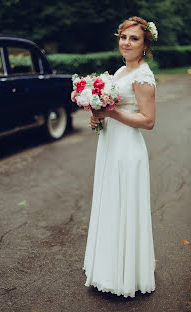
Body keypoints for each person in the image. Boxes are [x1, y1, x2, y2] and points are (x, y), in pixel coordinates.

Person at [82, 16, 158, 298]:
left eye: (134, 39)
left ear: (145, 44)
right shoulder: (120, 71)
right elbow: (111, 108)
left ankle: (126, 274)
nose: (126, 43)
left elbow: (148, 120)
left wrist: (111, 113)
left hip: (127, 151)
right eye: (123, 37)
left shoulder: (143, 77)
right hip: (110, 145)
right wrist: (98, 118)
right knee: (110, 203)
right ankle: (107, 266)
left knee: (123, 205)